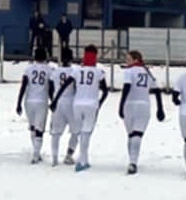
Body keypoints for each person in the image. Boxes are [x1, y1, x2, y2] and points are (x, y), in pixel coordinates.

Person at [118, 49, 166, 175]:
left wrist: (121, 104)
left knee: (131, 135)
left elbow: (126, 87)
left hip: (130, 104)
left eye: (128, 59)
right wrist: (160, 108)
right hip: (144, 105)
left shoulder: (129, 71)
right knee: (137, 134)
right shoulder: (147, 72)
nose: (126, 61)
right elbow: (157, 90)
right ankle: (133, 161)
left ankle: (132, 161)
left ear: (135, 59)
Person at [68, 44, 110, 172]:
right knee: (86, 132)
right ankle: (82, 160)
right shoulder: (99, 72)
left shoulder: (77, 71)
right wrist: (100, 102)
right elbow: (105, 91)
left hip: (77, 103)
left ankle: (83, 159)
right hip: (91, 104)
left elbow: (67, 84)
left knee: (80, 131)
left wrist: (55, 99)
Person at [15, 45, 55, 164]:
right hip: (41, 101)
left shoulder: (28, 69)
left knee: (32, 127)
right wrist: (53, 100)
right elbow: (51, 88)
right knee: (39, 129)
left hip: (29, 101)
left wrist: (19, 102)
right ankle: (36, 154)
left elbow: (23, 86)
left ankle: (36, 151)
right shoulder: (49, 69)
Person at [48, 49, 78, 166]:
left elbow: (50, 89)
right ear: (71, 59)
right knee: (76, 131)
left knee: (55, 132)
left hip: (58, 101)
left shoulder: (55, 71)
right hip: (71, 102)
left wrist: (53, 100)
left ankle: (55, 158)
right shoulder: (74, 71)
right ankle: (69, 155)